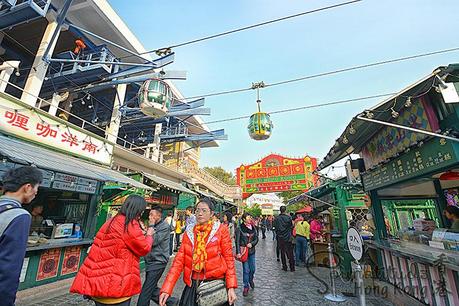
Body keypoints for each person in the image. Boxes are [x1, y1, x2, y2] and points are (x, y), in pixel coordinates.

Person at [70, 194, 154, 306]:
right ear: (138, 210)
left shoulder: (111, 221)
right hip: (115, 286)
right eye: (142, 210)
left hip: (98, 283)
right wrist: (149, 235)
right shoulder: (129, 224)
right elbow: (144, 248)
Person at [159, 198, 237, 306]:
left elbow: (229, 260)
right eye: (197, 210)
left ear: (211, 213)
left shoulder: (220, 230)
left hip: (214, 285)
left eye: (204, 210)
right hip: (193, 285)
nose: (200, 213)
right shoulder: (190, 231)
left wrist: (231, 287)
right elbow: (178, 262)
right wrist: (167, 289)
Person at [0, 166, 42, 306]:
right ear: (28, 187)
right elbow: (9, 268)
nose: (36, 192)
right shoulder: (20, 216)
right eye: (37, 188)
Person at [138, 206, 178, 306]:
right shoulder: (154, 225)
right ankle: (171, 302)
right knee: (151, 289)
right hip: (151, 261)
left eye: (152, 215)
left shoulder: (164, 226)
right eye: (149, 214)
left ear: (158, 216)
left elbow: (153, 241)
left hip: (158, 262)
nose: (150, 217)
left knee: (145, 292)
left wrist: (150, 227)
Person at [235, 213, 259, 297]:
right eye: (248, 217)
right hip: (244, 252)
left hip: (252, 251)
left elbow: (256, 238)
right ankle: (246, 286)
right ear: (244, 219)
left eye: (250, 217)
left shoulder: (253, 228)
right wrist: (238, 252)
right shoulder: (239, 228)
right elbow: (237, 241)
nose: (250, 219)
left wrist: (252, 244)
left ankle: (250, 279)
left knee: (252, 269)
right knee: (246, 270)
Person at [274, 206, 295, 272]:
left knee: (282, 253)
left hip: (281, 237)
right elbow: (291, 226)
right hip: (288, 237)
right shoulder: (288, 218)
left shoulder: (277, 218)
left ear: (280, 210)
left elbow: (276, 228)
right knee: (290, 253)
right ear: (285, 210)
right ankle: (292, 267)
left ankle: (284, 266)